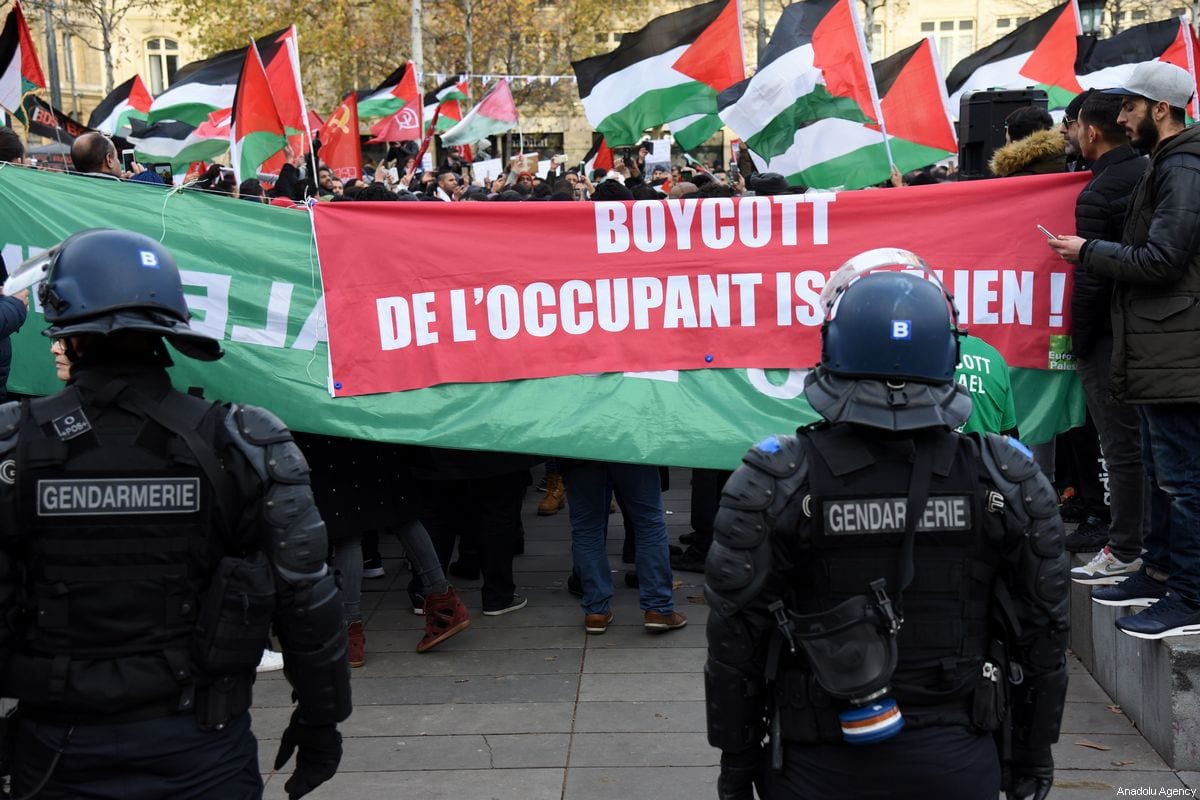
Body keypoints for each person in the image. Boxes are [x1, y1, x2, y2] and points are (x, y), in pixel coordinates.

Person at [704, 249, 1068, 800]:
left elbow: (736, 642)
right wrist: (1034, 756)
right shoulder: (1005, 476)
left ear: (832, 349)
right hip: (957, 761)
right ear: (949, 354)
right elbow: (1045, 634)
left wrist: (736, 766)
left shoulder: (777, 478)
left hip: (815, 765)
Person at [0, 229, 351, 798]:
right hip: (204, 751)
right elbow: (308, 600)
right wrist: (321, 721)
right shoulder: (245, 440)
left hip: (57, 753)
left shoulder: (13, 445)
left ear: (66, 328)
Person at [1048, 61, 1200, 639]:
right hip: (1162, 345)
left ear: (1161, 109)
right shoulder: (1166, 161)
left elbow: (1163, 259)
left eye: (1131, 108)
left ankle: (1188, 597)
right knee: (1163, 471)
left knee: (1183, 481)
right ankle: (1158, 574)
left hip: (1176, 347)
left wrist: (1088, 251)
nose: (1124, 118)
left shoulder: (1182, 166)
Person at [1062, 91, 1149, 579]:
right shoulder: (1148, 172)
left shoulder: (1097, 192)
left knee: (1120, 446)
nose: (1070, 134)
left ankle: (1126, 547)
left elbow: (1091, 278)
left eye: (1073, 125)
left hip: (1109, 337)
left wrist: (1079, 340)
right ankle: (1150, 546)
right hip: (1149, 329)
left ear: (1091, 131)